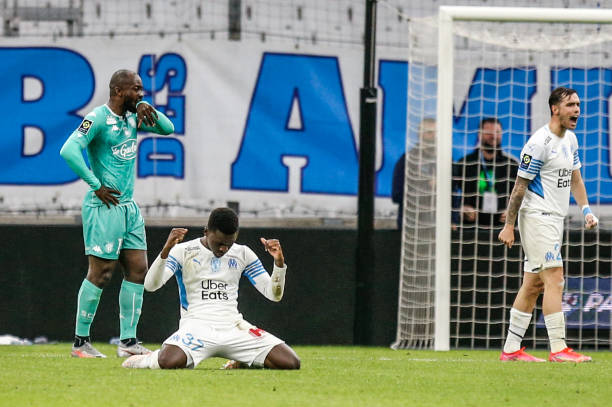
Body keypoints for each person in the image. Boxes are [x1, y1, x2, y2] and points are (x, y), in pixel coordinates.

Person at [60, 69, 175, 358]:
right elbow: (69, 150)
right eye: (136, 89)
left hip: (128, 207)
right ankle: (80, 343)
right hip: (105, 205)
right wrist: (95, 185)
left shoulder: (132, 117)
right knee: (101, 273)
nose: (141, 93)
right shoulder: (97, 118)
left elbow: (167, 128)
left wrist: (147, 108)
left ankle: (127, 343)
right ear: (118, 90)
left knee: (137, 270)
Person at [121, 207, 300, 370]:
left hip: (234, 327)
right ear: (206, 232)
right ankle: (144, 359)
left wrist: (278, 264)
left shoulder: (243, 253)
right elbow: (151, 285)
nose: (223, 248)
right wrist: (166, 251)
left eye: (229, 244)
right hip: (196, 326)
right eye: (219, 243)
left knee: (290, 362)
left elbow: (273, 295)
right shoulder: (183, 250)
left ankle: (242, 361)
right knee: (168, 362)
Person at [498, 87, 598, 363]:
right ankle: (559, 348)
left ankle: (510, 350)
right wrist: (509, 225)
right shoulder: (538, 142)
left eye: (578, 104)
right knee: (555, 278)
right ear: (555, 108)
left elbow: (575, 179)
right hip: (536, 216)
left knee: (532, 285)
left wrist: (586, 209)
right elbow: (519, 187)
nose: (577, 109)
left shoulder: (571, 140)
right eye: (571, 105)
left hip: (555, 219)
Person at [452, 118, 518, 228]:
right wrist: (461, 209)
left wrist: (513, 212)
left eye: (497, 132)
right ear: (479, 134)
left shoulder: (511, 165)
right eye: (488, 132)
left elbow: (523, 196)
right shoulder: (465, 163)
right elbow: (450, 192)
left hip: (502, 228)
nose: (493, 136)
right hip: (471, 228)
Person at [391, 118, 436, 229]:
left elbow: (454, 193)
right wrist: (427, 186)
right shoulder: (408, 160)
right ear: (420, 135)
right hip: (412, 227)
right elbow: (396, 195)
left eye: (436, 132)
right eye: (430, 132)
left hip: (437, 226)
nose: (434, 136)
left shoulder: (446, 161)